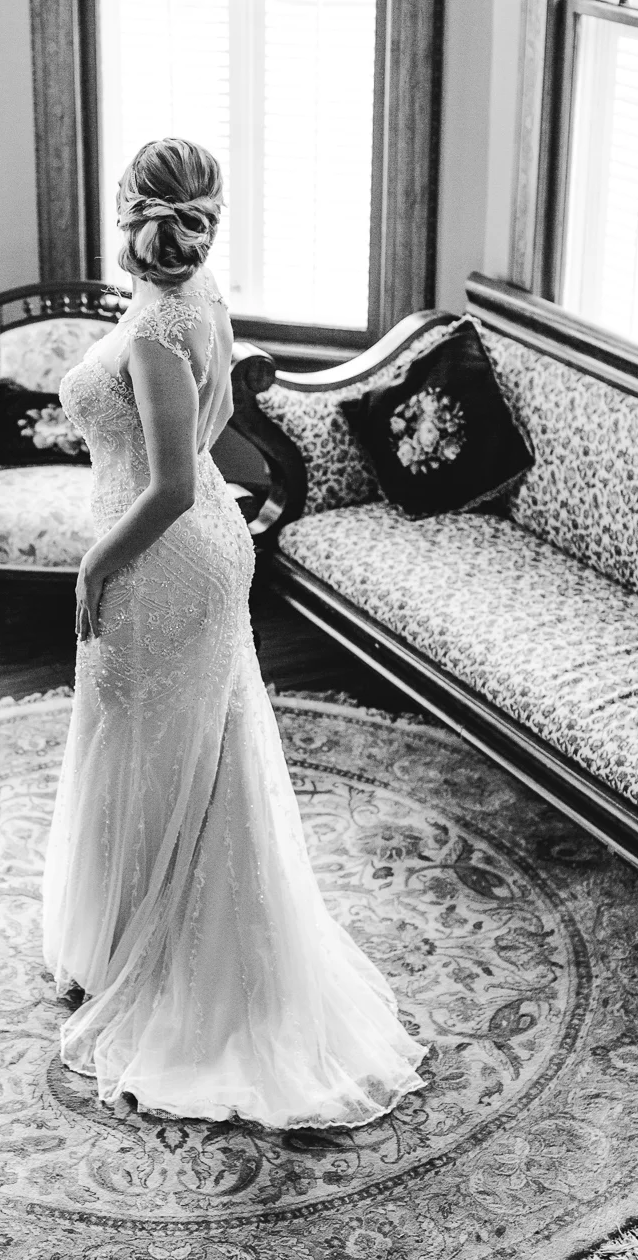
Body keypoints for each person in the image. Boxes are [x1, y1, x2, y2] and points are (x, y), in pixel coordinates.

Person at [42, 137, 428, 1128]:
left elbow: (170, 483)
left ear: (126, 207)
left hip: (160, 554)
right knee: (181, 746)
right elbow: (192, 446)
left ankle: (177, 960)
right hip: (197, 542)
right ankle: (136, 936)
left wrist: (94, 562)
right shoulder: (195, 295)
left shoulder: (154, 327)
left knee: (148, 744)